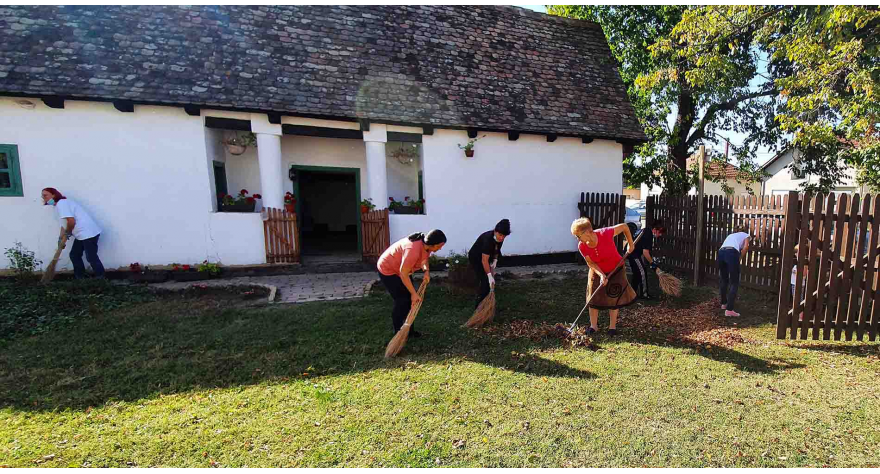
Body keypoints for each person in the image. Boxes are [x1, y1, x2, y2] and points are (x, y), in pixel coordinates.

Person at [571, 217, 637, 336]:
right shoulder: (582, 246)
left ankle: (612, 327)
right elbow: (590, 262)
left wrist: (630, 244)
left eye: (578, 235)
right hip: (597, 270)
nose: (578, 239)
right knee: (593, 297)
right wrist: (601, 275)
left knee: (614, 295)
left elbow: (624, 226)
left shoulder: (605, 233)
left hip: (616, 268)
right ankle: (594, 326)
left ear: (586, 232)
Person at [377, 229, 447, 338]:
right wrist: (414, 294)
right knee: (402, 301)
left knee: (409, 301)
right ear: (432, 244)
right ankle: (398, 333)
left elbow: (424, 261)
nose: (441, 248)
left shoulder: (426, 246)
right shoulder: (412, 250)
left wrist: (426, 271)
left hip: (402, 270)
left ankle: (409, 331)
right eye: (440, 245)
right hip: (388, 270)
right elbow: (403, 274)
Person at [41, 187, 105, 279]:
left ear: (54, 195)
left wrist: (68, 234)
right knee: (74, 255)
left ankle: (101, 277)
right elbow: (63, 225)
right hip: (81, 234)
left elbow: (71, 221)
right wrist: (60, 238)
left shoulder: (62, 203)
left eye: (45, 195)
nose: (43, 197)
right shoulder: (57, 207)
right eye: (42, 196)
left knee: (91, 257)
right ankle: (80, 277)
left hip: (88, 232)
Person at [468, 219, 510, 308]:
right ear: (495, 231)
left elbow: (496, 249)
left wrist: (495, 259)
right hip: (476, 257)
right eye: (500, 235)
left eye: (504, 236)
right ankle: (479, 306)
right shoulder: (488, 240)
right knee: (485, 281)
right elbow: (484, 260)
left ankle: (487, 299)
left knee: (488, 281)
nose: (502, 238)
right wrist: (489, 275)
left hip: (487, 255)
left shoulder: (499, 237)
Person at [627, 219, 666, 300]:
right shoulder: (648, 234)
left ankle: (632, 292)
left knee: (637, 273)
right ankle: (644, 294)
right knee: (642, 272)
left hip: (631, 252)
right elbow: (645, 252)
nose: (659, 235)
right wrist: (652, 263)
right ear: (655, 230)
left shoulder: (646, 230)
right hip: (633, 254)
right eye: (659, 233)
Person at [718, 226, 750, 317]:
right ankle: (729, 310)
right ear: (744, 231)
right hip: (731, 253)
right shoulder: (746, 235)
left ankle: (724, 304)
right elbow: (745, 247)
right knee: (734, 282)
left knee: (724, 279)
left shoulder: (731, 235)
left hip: (721, 252)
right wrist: (739, 258)